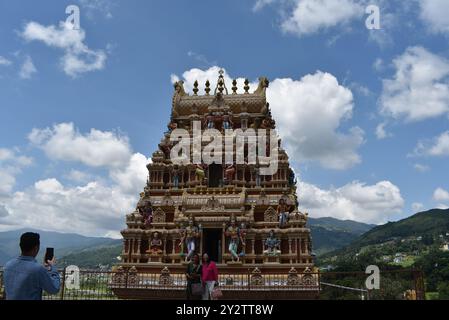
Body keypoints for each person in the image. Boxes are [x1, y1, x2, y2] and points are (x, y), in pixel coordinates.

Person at [4, 232, 60, 300]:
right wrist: (53, 268)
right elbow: (54, 289)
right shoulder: (38, 269)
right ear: (36, 248)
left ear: (20, 245)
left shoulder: (8, 265)